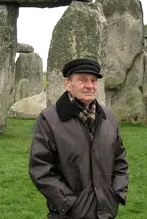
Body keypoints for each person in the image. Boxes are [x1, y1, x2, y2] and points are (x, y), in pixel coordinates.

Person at [29, 58, 129, 219]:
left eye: (93, 81)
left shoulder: (108, 119)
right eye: (82, 80)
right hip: (69, 213)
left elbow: (120, 160)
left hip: (105, 211)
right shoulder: (49, 119)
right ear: (68, 84)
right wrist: (68, 203)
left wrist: (116, 193)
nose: (90, 86)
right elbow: (40, 167)